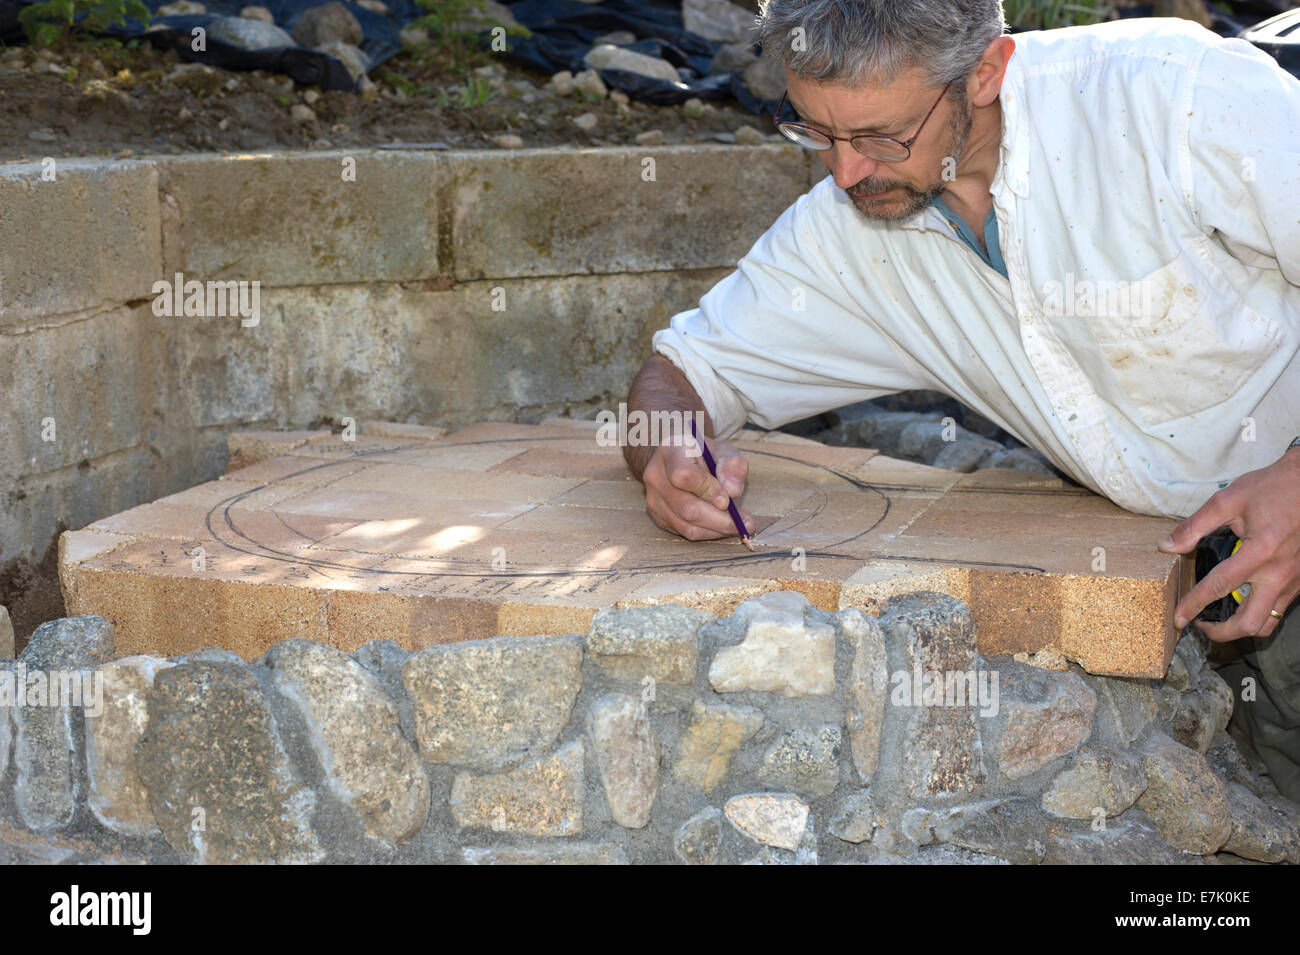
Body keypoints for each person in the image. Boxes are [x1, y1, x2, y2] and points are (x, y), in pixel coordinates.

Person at [620, 0, 1300, 798]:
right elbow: (684, 372)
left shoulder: (1172, 97)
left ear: (985, 72)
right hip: (1232, 594)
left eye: (881, 136)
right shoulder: (853, 224)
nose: (845, 172)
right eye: (814, 131)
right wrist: (665, 452)